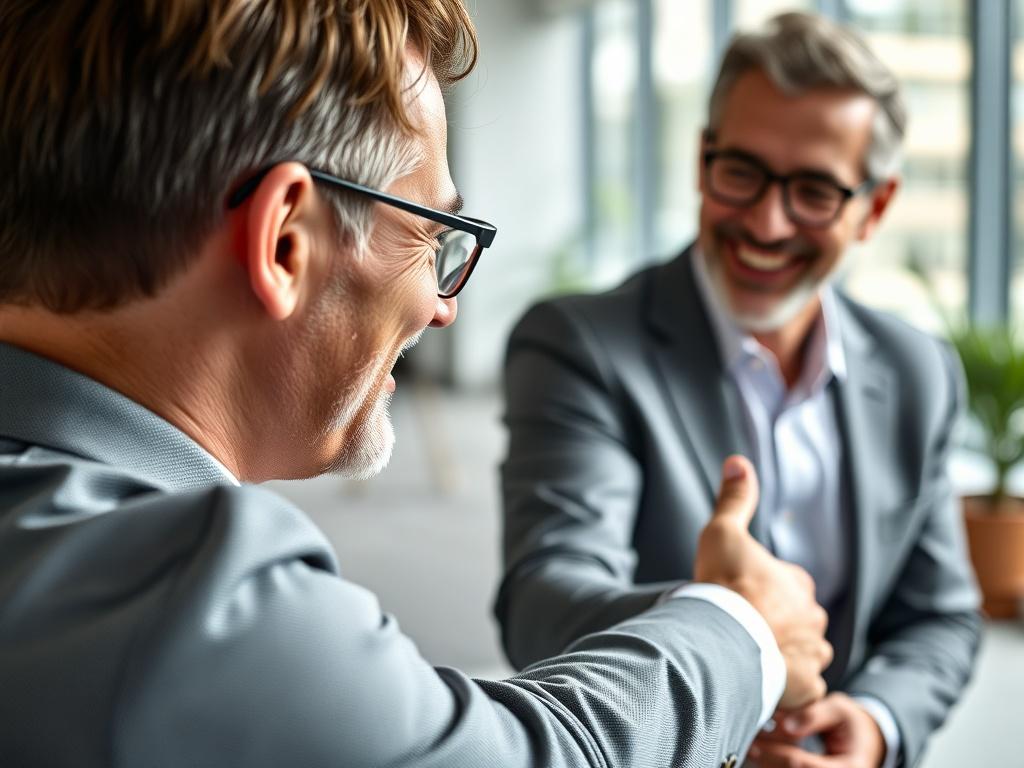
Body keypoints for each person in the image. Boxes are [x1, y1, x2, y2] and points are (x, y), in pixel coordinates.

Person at [0, 2, 833, 767]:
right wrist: (744, 628)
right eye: (433, 236)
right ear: (286, 241)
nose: (442, 308)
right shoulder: (195, 592)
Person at [498, 12, 981, 768]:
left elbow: (940, 617)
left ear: (874, 209)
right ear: (701, 160)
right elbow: (543, 605)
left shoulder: (918, 371)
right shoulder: (581, 345)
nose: (766, 221)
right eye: (742, 173)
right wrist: (737, 632)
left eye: (816, 190)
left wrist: (878, 724)